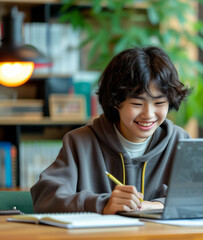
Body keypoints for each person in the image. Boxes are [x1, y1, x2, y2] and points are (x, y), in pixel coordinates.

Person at [30, 46, 190, 214]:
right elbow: (45, 198)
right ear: (116, 101)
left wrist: (158, 205)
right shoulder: (80, 142)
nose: (148, 114)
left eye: (159, 103)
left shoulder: (181, 142)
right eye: (137, 104)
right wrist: (102, 204)